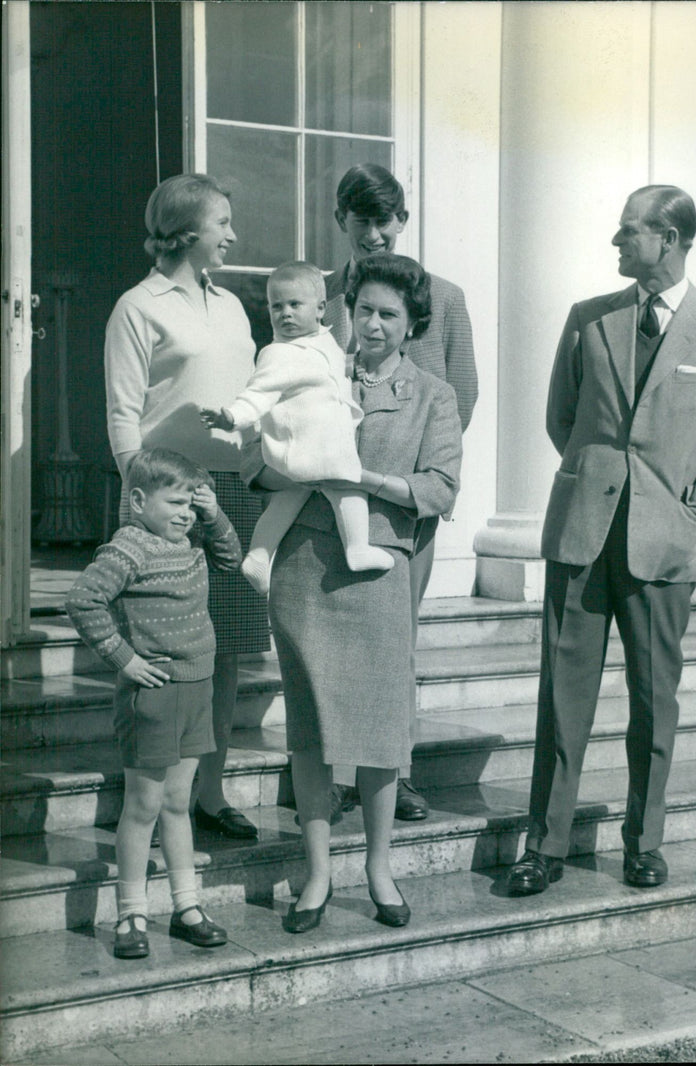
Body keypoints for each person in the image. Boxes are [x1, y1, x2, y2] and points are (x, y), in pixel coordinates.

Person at [507, 185, 696, 897]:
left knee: (654, 702)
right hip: (581, 539)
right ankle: (546, 844)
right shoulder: (589, 320)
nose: (616, 245)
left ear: (671, 239)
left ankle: (644, 842)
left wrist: (687, 513)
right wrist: (595, 481)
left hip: (663, 547)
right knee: (561, 700)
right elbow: (564, 418)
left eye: (629, 234)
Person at [263, 254, 462, 932]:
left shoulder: (433, 394)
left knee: (380, 730)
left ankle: (379, 868)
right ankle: (316, 875)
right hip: (305, 567)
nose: (371, 325)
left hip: (380, 566)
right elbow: (265, 452)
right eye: (364, 310)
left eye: (388, 315)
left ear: (412, 326)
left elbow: (440, 489)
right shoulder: (311, 364)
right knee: (311, 729)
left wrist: (367, 480)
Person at [105, 173, 271, 840]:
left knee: (223, 652)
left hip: (231, 492)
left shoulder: (231, 305)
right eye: (222, 222)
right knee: (159, 652)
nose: (232, 235)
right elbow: (122, 415)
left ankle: (208, 790)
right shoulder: (137, 307)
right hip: (163, 497)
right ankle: (148, 799)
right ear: (186, 230)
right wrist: (143, 501)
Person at [324, 163, 478, 822]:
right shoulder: (321, 294)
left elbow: (462, 390)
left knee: (394, 641)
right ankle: (332, 773)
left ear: (403, 223)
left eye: (387, 225)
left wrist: (420, 464)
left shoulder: (439, 297)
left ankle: (397, 771)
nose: (376, 237)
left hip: (403, 499)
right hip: (324, 496)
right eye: (364, 226)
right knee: (329, 637)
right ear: (344, 224)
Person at [66, 449, 239, 958]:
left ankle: (187, 907)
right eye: (175, 502)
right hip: (155, 696)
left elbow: (231, 557)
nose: (185, 513)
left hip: (198, 688)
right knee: (142, 807)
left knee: (178, 804)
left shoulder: (193, 540)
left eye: (192, 503)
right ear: (139, 500)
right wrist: (123, 660)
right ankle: (131, 914)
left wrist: (216, 513)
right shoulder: (130, 547)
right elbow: (82, 600)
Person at [200, 260, 393, 593]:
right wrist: (231, 417)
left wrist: (351, 367)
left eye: (294, 305)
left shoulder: (324, 343)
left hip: (312, 448)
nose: (284, 313)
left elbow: (325, 368)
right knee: (349, 489)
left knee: (290, 497)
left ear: (320, 310)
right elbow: (256, 395)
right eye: (276, 306)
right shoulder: (278, 354)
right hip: (312, 448)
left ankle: (259, 555)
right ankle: (358, 547)